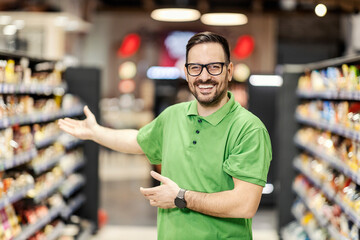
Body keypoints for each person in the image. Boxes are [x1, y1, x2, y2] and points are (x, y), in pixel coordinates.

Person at [58, 31, 272, 239]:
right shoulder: (173, 115)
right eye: (195, 68)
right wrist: (96, 132)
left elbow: (244, 204)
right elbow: (137, 141)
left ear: (229, 70)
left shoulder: (248, 129)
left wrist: (181, 197)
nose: (204, 76)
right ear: (187, 72)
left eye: (214, 67)